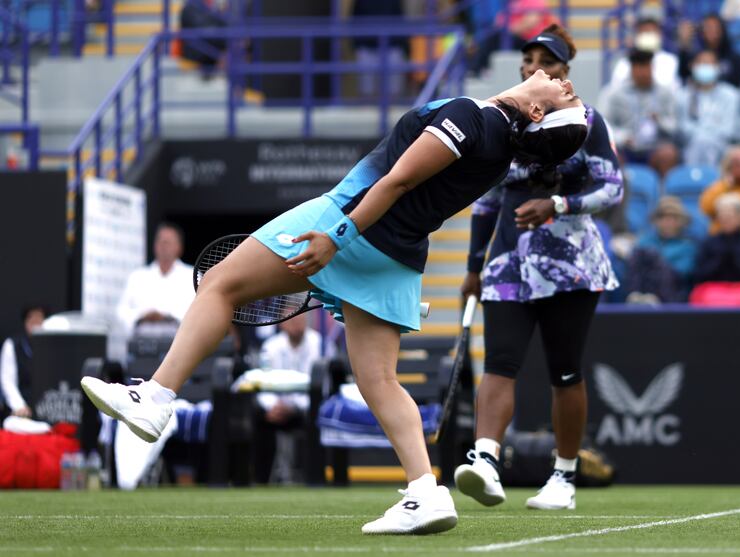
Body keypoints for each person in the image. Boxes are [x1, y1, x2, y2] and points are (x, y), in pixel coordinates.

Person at [81, 70, 588, 535]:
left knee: (218, 282)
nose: (564, 81)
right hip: (398, 259)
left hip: (345, 223)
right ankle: (426, 492)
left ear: (538, 115)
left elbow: (398, 179)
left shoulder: (474, 119)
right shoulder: (499, 145)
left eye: (568, 94)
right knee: (380, 382)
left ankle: (156, 398)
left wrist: (335, 237)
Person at [454, 24, 622, 512]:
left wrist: (556, 205)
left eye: (546, 62)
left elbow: (612, 189)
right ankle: (485, 461)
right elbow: (486, 203)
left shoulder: (587, 122)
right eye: (528, 62)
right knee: (500, 362)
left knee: (564, 371)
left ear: (564, 73)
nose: (534, 69)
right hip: (508, 263)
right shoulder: (503, 126)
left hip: (571, 266)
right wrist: (471, 266)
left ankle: (563, 478)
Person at [253, 313, 321, 484]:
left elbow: (319, 385)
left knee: (315, 417)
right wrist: (272, 406)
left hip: (307, 408)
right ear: (282, 323)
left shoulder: (318, 343)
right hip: (276, 410)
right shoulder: (271, 346)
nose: (295, 323)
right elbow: (263, 382)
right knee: (256, 417)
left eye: (299, 319)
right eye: (290, 319)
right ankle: (260, 480)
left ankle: (313, 480)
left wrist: (294, 407)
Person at [598, 48, 679, 178]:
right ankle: (615, 195)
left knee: (668, 154)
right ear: (632, 69)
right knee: (608, 154)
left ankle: (665, 196)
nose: (643, 72)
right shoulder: (614, 94)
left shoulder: (665, 93)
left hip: (654, 148)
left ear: (652, 68)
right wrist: (623, 137)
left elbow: (674, 127)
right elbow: (603, 126)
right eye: (639, 67)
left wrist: (659, 121)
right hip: (626, 148)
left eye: (646, 66)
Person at [116, 222, 196, 340]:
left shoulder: (191, 276)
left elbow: (198, 311)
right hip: (142, 345)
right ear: (154, 245)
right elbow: (122, 311)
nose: (164, 245)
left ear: (179, 247)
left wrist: (167, 317)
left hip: (179, 343)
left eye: (168, 242)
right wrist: (142, 316)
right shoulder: (138, 276)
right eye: (160, 241)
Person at [626, 196, 698, 303]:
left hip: (671, 293)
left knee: (658, 264)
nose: (668, 222)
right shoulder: (645, 240)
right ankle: (635, 296)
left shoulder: (688, 246)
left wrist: (657, 261)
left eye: (673, 218)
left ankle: (653, 300)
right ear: (656, 221)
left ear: (681, 221)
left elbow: (682, 272)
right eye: (663, 217)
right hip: (643, 287)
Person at [676, 49, 740, 166]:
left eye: (709, 64)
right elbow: (683, 127)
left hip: (722, 146)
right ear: (692, 66)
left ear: (718, 67)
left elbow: (729, 129)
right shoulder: (683, 95)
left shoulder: (730, 94)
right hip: (691, 145)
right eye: (702, 64)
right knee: (697, 145)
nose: (705, 67)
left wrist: (707, 138)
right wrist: (702, 137)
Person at [693, 193, 740, 284]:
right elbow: (698, 276)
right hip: (713, 289)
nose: (726, 220)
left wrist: (737, 259)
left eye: (730, 216)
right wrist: (719, 259)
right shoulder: (708, 243)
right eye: (722, 216)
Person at [610, 16, 680, 90]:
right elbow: (616, 88)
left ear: (659, 35)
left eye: (651, 32)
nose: (648, 35)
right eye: (645, 32)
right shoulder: (625, 62)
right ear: (637, 35)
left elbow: (674, 90)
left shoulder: (670, 61)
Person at [0, 305, 46, 419]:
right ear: (25, 322)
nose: (35, 322)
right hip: (19, 412)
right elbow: (7, 381)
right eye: (31, 318)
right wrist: (19, 406)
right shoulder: (12, 344)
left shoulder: (51, 346)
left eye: (39, 318)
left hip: (47, 409)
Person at [677, 14, 740, 86]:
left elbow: (737, 82)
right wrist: (684, 44)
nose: (711, 31)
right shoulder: (695, 55)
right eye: (708, 27)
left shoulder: (733, 57)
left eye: (715, 27)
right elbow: (683, 75)